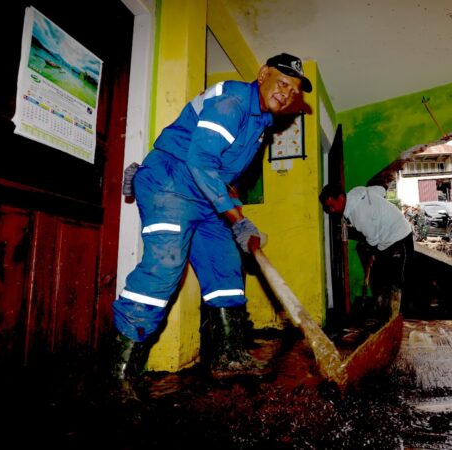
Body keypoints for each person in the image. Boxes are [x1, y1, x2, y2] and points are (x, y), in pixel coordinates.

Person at [110, 53, 313, 398]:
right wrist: (237, 220)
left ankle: (227, 355)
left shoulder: (260, 124)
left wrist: (239, 218)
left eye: (294, 91)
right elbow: (200, 160)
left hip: (205, 195)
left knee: (226, 269)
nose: (287, 93)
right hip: (171, 182)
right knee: (165, 268)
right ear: (262, 74)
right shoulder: (232, 100)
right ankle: (121, 373)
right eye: (282, 83)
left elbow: (224, 178)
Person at [319, 184, 413, 322]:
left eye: (332, 205)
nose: (331, 210)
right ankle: (387, 318)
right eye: (328, 208)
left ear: (340, 198)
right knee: (382, 278)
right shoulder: (357, 192)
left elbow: (373, 239)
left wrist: (372, 254)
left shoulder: (359, 216)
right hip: (394, 235)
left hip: (398, 237)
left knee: (393, 281)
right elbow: (380, 190)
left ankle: (394, 320)